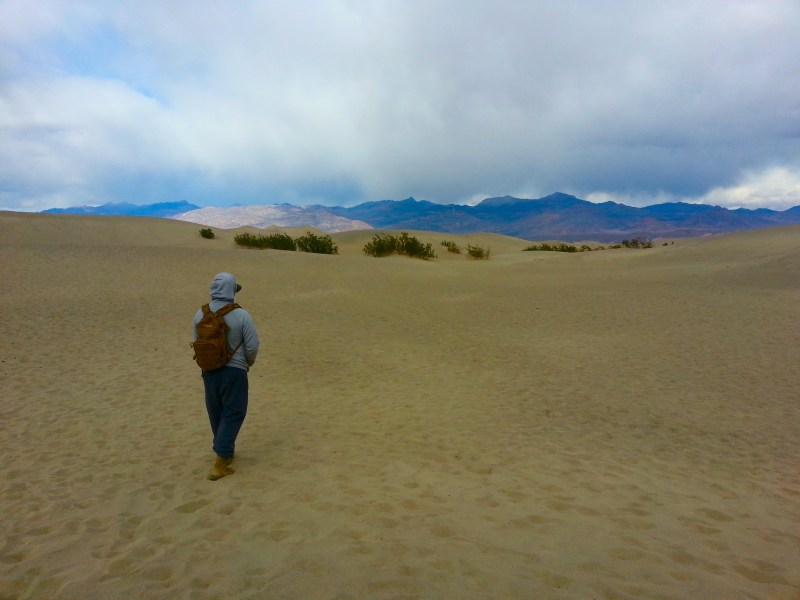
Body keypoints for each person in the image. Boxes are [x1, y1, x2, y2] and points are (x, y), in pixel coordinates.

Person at [193, 272, 260, 480]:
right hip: (234, 372)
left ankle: (225, 451)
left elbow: (196, 341)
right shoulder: (241, 315)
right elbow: (253, 346)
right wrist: (246, 363)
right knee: (234, 412)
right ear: (231, 291)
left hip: (209, 371)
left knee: (217, 411)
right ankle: (220, 463)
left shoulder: (200, 314)